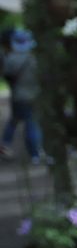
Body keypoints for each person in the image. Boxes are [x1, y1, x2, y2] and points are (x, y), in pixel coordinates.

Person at [2, 29, 43, 162]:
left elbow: (7, 76)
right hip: (34, 95)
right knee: (31, 124)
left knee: (14, 121)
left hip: (18, 97)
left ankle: (5, 145)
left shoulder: (11, 59)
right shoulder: (34, 59)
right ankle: (35, 154)